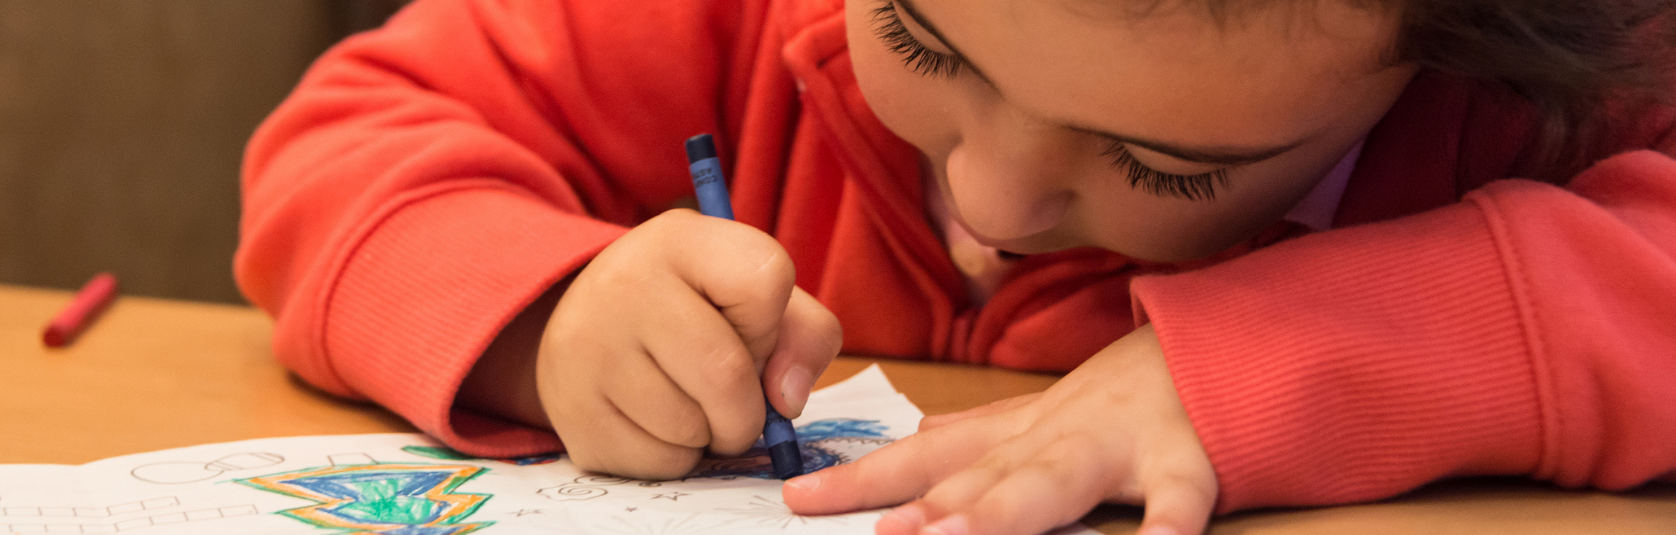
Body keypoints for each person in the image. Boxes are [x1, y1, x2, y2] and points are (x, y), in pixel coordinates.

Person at [235, 0, 1676, 533]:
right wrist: (546, 318)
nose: (989, 195)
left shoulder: (1532, 99)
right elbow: (344, 137)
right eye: (923, 45)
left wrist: (1282, 361)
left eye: (1168, 163)